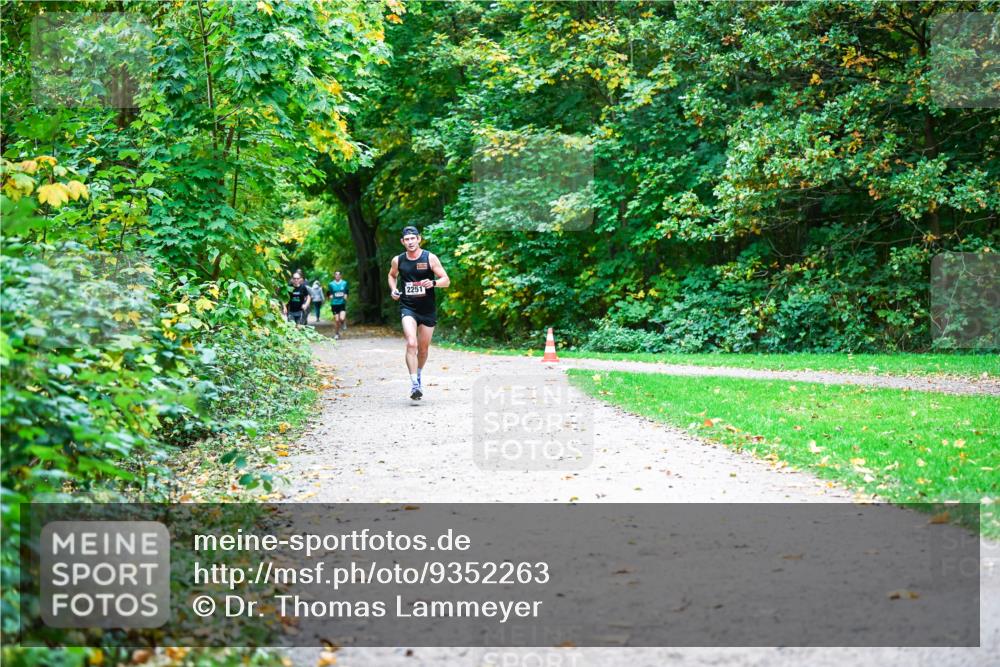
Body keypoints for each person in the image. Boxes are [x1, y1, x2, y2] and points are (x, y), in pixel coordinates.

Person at [387, 225, 450, 400]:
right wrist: (393, 289)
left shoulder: (429, 257)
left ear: (419, 239)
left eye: (413, 238)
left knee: (423, 349)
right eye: (406, 239)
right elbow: (392, 275)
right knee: (411, 343)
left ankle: (419, 373)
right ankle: (415, 384)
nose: (410, 242)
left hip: (427, 309)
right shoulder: (398, 260)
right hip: (408, 307)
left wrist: (435, 283)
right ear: (402, 242)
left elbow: (446, 280)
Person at [327, 271, 349, 340]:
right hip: (334, 304)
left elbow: (347, 291)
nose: (337, 276)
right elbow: (329, 293)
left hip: (342, 303)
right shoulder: (331, 284)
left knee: (341, 318)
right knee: (337, 320)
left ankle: (343, 322)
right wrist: (330, 296)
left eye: (339, 274)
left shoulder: (344, 283)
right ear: (334, 275)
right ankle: (336, 334)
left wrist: (346, 295)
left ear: (341, 275)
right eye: (336, 274)